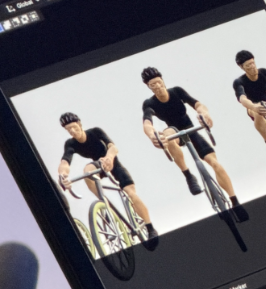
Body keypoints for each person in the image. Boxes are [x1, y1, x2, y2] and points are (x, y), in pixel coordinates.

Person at [140, 67, 248, 221]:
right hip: (174, 131)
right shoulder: (150, 103)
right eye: (152, 85)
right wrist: (153, 136)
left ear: (163, 80)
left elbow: (197, 104)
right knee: (167, 135)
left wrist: (204, 113)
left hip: (191, 130)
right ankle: (188, 175)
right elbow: (147, 123)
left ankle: (235, 201)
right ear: (149, 87)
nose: (157, 86)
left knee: (215, 164)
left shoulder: (176, 91)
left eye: (158, 82)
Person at [57, 113, 158, 243]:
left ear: (80, 124)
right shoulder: (71, 144)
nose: (72, 131)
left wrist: (109, 158)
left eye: (74, 127)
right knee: (87, 171)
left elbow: (113, 147)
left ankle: (150, 228)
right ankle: (104, 203)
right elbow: (65, 162)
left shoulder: (95, 132)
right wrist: (63, 175)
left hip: (113, 164)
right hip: (98, 165)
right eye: (68, 129)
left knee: (131, 193)